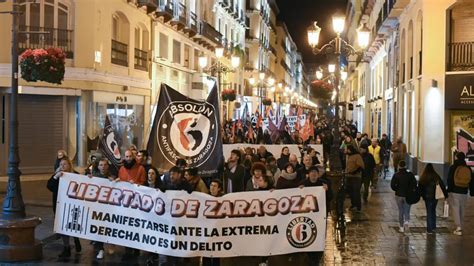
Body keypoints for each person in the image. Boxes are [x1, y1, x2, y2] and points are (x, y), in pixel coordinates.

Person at [46, 158, 82, 258]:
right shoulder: (57, 175)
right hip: (60, 205)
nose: (62, 166)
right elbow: (49, 186)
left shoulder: (76, 175)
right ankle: (66, 247)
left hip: (73, 205)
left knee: (74, 223)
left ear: (69, 165)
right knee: (62, 227)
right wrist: (55, 177)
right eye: (61, 164)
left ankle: (76, 239)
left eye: (65, 164)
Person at [299, 166, 330, 266]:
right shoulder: (303, 183)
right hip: (307, 216)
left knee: (320, 236)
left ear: (318, 174)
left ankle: (317, 257)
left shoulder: (323, 183)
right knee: (308, 235)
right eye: (311, 172)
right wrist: (299, 190)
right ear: (308, 174)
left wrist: (327, 190)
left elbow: (331, 197)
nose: (313, 174)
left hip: (321, 216)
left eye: (315, 172)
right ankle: (310, 256)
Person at [447, 152, 474, 236]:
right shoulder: (468, 168)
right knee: (462, 209)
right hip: (464, 191)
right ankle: (460, 225)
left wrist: (449, 190)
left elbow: (450, 179)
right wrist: (471, 191)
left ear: (456, 157)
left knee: (455, 209)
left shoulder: (453, 167)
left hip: (455, 191)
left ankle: (458, 227)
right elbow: (472, 181)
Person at [419, 163, 448, 234]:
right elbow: (442, 185)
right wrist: (446, 195)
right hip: (435, 196)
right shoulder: (436, 176)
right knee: (433, 210)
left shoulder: (424, 177)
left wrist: (421, 195)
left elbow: (420, 187)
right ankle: (433, 227)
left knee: (429, 212)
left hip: (427, 197)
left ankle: (429, 229)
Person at [390, 160, 417, 233]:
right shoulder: (410, 175)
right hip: (408, 195)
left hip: (398, 195)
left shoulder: (396, 175)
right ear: (405, 166)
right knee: (407, 210)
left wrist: (396, 189)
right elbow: (414, 184)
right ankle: (407, 222)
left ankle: (401, 227)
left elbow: (392, 185)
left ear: (399, 166)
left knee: (400, 211)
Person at [345, 145, 364, 211]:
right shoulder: (348, 156)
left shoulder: (357, 156)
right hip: (349, 176)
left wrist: (354, 172)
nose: (346, 150)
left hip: (356, 177)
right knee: (351, 192)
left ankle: (358, 206)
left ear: (350, 150)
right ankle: (353, 204)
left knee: (356, 192)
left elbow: (361, 166)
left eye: (347, 149)